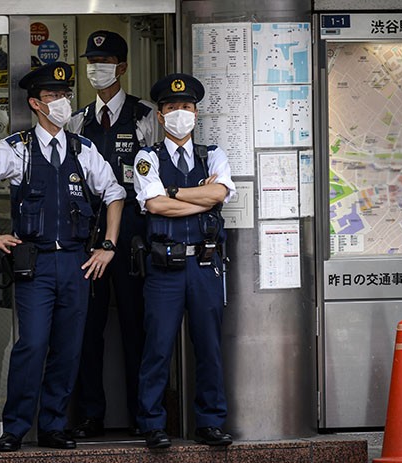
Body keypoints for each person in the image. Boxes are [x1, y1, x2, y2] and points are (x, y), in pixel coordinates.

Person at [0, 62, 125, 452]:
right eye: (53, 97)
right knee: (31, 345)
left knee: (69, 347)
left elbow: (115, 194)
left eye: (64, 95)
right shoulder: (16, 148)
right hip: (34, 264)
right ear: (35, 103)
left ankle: (53, 426)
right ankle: (15, 427)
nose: (62, 102)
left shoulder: (83, 150)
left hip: (75, 262)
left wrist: (110, 245)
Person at [132, 74, 235, 449]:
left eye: (187, 108)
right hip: (164, 269)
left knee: (209, 346)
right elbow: (155, 204)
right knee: (157, 348)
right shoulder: (147, 158)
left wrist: (175, 192)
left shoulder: (214, 154)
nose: (181, 114)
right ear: (160, 117)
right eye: (173, 108)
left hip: (206, 266)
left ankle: (210, 422)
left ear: (196, 113)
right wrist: (199, 196)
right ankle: (153, 423)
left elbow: (220, 194)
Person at [67, 30, 158, 438]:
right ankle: (89, 413)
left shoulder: (146, 116)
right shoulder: (77, 120)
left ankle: (143, 413)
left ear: (122, 66)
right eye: (91, 63)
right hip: (89, 238)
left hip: (134, 239)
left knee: (136, 325)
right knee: (87, 326)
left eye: (104, 63)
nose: (96, 70)